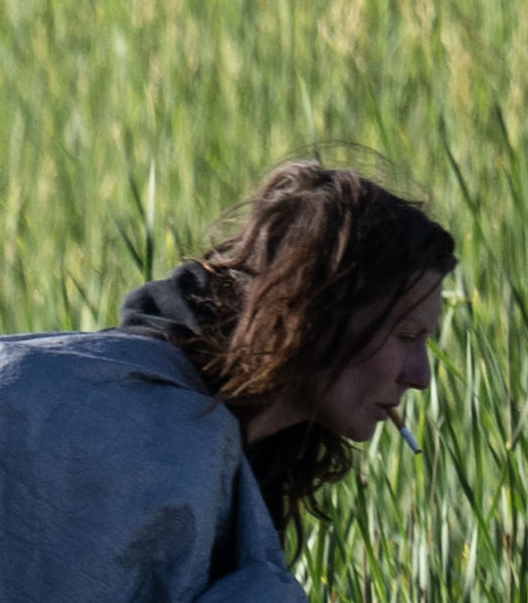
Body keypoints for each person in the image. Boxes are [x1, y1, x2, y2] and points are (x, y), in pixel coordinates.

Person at [117, 158, 458, 524]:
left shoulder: (266, 457)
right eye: (406, 336)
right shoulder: (144, 434)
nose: (420, 377)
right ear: (318, 310)